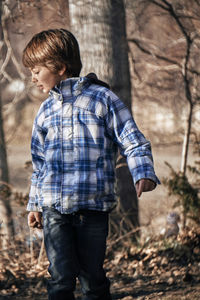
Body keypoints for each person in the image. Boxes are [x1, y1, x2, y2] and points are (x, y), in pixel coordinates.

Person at [22, 28, 160, 300]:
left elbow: (132, 140)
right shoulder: (45, 111)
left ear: (60, 67)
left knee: (92, 277)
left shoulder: (102, 99)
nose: (33, 77)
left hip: (92, 208)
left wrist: (143, 171)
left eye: (37, 70)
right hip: (54, 209)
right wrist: (35, 204)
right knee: (60, 278)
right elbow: (39, 164)